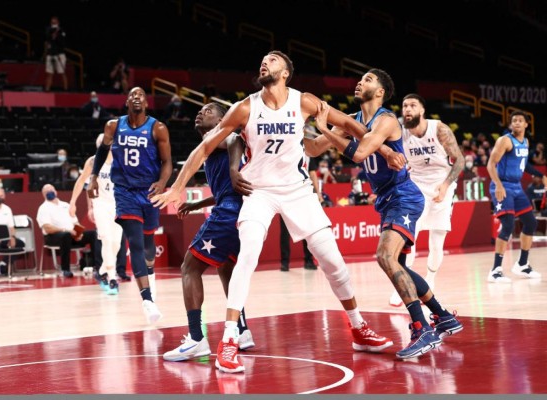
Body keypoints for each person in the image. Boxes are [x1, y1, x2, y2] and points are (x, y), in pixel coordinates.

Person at [152, 51, 396, 374]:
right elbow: (206, 146)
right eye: (264, 59)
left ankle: (358, 327)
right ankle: (229, 339)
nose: (265, 62)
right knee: (248, 254)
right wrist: (178, 186)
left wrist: (385, 149)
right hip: (260, 192)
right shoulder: (245, 107)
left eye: (274, 60)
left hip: (298, 191)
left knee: (333, 262)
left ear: (285, 73)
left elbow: (351, 124)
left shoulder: (303, 101)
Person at [312, 68, 462, 359]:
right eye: (360, 79)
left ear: (380, 91)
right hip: (387, 199)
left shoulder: (387, 119)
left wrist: (326, 128)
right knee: (400, 266)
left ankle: (422, 328)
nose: (360, 82)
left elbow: (359, 152)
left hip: (404, 196)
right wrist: (292, 132)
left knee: (385, 256)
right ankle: (443, 316)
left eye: (367, 79)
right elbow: (316, 148)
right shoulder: (353, 120)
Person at [163, 102, 255, 361]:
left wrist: (234, 169)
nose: (200, 113)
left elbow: (235, 138)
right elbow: (227, 188)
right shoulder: (215, 144)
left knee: (189, 268)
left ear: (222, 119)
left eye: (208, 111)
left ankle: (196, 338)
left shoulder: (223, 136)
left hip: (228, 213)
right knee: (226, 268)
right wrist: (196, 204)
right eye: (200, 110)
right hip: (241, 213)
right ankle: (242, 331)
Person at [88, 86, 173, 324]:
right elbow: (101, 152)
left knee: (148, 245)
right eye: (133, 95)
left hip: (149, 191)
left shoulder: (158, 128)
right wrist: (93, 177)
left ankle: (150, 278)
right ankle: (147, 300)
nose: (137, 98)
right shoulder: (113, 126)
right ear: (127, 102)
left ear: (146, 103)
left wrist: (162, 182)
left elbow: (167, 162)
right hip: (124, 191)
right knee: (135, 242)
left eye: (141, 96)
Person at [387, 94, 465, 308]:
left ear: (422, 110)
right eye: (404, 105)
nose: (407, 109)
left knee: (437, 242)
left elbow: (459, 160)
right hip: (416, 185)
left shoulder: (439, 129)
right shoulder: (399, 131)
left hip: (442, 183)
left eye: (412, 105)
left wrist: (446, 185)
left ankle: (430, 281)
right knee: (407, 238)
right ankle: (404, 285)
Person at [486, 111, 546, 283]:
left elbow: (523, 164)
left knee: (531, 222)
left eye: (520, 120)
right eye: (514, 121)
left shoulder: (525, 142)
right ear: (511, 124)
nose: (517, 123)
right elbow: (491, 164)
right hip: (502, 186)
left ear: (526, 124)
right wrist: (498, 185)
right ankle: (495, 270)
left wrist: (541, 175)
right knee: (508, 225)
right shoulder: (504, 140)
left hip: (516, 187)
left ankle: (522, 264)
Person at [69, 133, 128, 294]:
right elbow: (81, 181)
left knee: (116, 243)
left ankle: (102, 270)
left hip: (118, 204)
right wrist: (73, 202)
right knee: (106, 239)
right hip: (100, 204)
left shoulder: (121, 160)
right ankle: (112, 277)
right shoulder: (93, 161)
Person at [37, 183, 99, 278]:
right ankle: (65, 269)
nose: (50, 192)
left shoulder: (66, 205)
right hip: (54, 237)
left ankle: (97, 267)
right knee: (65, 235)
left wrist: (79, 233)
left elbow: (75, 222)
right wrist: (65, 230)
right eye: (47, 192)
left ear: (56, 191)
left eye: (51, 190)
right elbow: (47, 228)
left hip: (71, 235)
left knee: (93, 234)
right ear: (43, 195)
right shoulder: (43, 208)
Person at [44, 16, 67, 92]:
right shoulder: (48, 30)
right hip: (50, 54)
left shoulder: (61, 31)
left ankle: (65, 90)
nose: (53, 23)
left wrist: (57, 35)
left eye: (55, 22)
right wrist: (52, 35)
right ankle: (47, 90)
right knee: (49, 73)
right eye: (52, 22)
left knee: (62, 73)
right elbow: (47, 39)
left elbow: (62, 42)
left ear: (58, 23)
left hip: (60, 54)